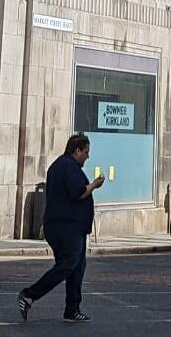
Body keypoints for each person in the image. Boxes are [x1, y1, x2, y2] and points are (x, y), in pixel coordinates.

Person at [17, 134, 105, 323]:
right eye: (86, 152)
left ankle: (72, 310)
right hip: (66, 228)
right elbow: (79, 192)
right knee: (67, 265)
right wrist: (95, 184)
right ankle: (29, 295)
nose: (88, 157)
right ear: (77, 150)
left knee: (77, 268)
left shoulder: (62, 165)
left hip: (70, 227)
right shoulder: (67, 166)